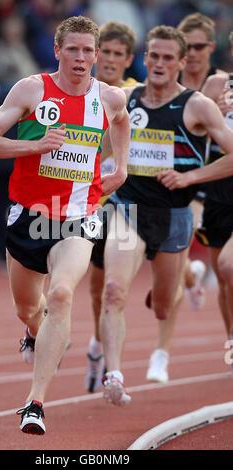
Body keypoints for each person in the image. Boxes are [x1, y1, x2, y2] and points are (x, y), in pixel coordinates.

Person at [0, 16, 130, 435]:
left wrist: (122, 167)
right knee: (29, 307)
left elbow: (121, 122)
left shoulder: (110, 98)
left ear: (97, 55)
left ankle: (35, 404)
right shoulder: (31, 90)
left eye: (88, 51)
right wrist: (36, 144)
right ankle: (36, 333)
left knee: (61, 293)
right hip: (28, 216)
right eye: (73, 49)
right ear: (58, 51)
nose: (81, 58)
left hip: (79, 217)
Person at [99, 25, 233, 407]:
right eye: (153, 56)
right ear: (143, 60)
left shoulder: (197, 106)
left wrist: (191, 176)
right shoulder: (125, 99)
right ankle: (115, 375)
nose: (159, 63)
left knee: (161, 306)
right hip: (128, 209)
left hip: (174, 215)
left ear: (182, 62)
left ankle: (183, 278)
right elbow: (100, 150)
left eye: (167, 58)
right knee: (114, 291)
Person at [145, 13, 228, 384]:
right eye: (185, 47)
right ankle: (162, 350)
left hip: (211, 181)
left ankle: (193, 275)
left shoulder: (217, 85)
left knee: (211, 269)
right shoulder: (167, 82)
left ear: (210, 48)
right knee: (175, 260)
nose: (190, 54)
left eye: (197, 47)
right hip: (184, 185)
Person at [84, 21, 138, 393]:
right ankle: (97, 344)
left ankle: (188, 276)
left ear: (128, 59)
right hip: (85, 198)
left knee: (115, 289)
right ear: (95, 53)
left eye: (120, 54)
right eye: (107, 52)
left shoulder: (135, 94)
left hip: (126, 201)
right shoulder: (80, 91)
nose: (111, 60)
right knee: (95, 286)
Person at [191, 31, 233, 353]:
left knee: (228, 266)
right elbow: (194, 136)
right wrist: (212, 115)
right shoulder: (216, 86)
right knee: (225, 279)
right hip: (220, 189)